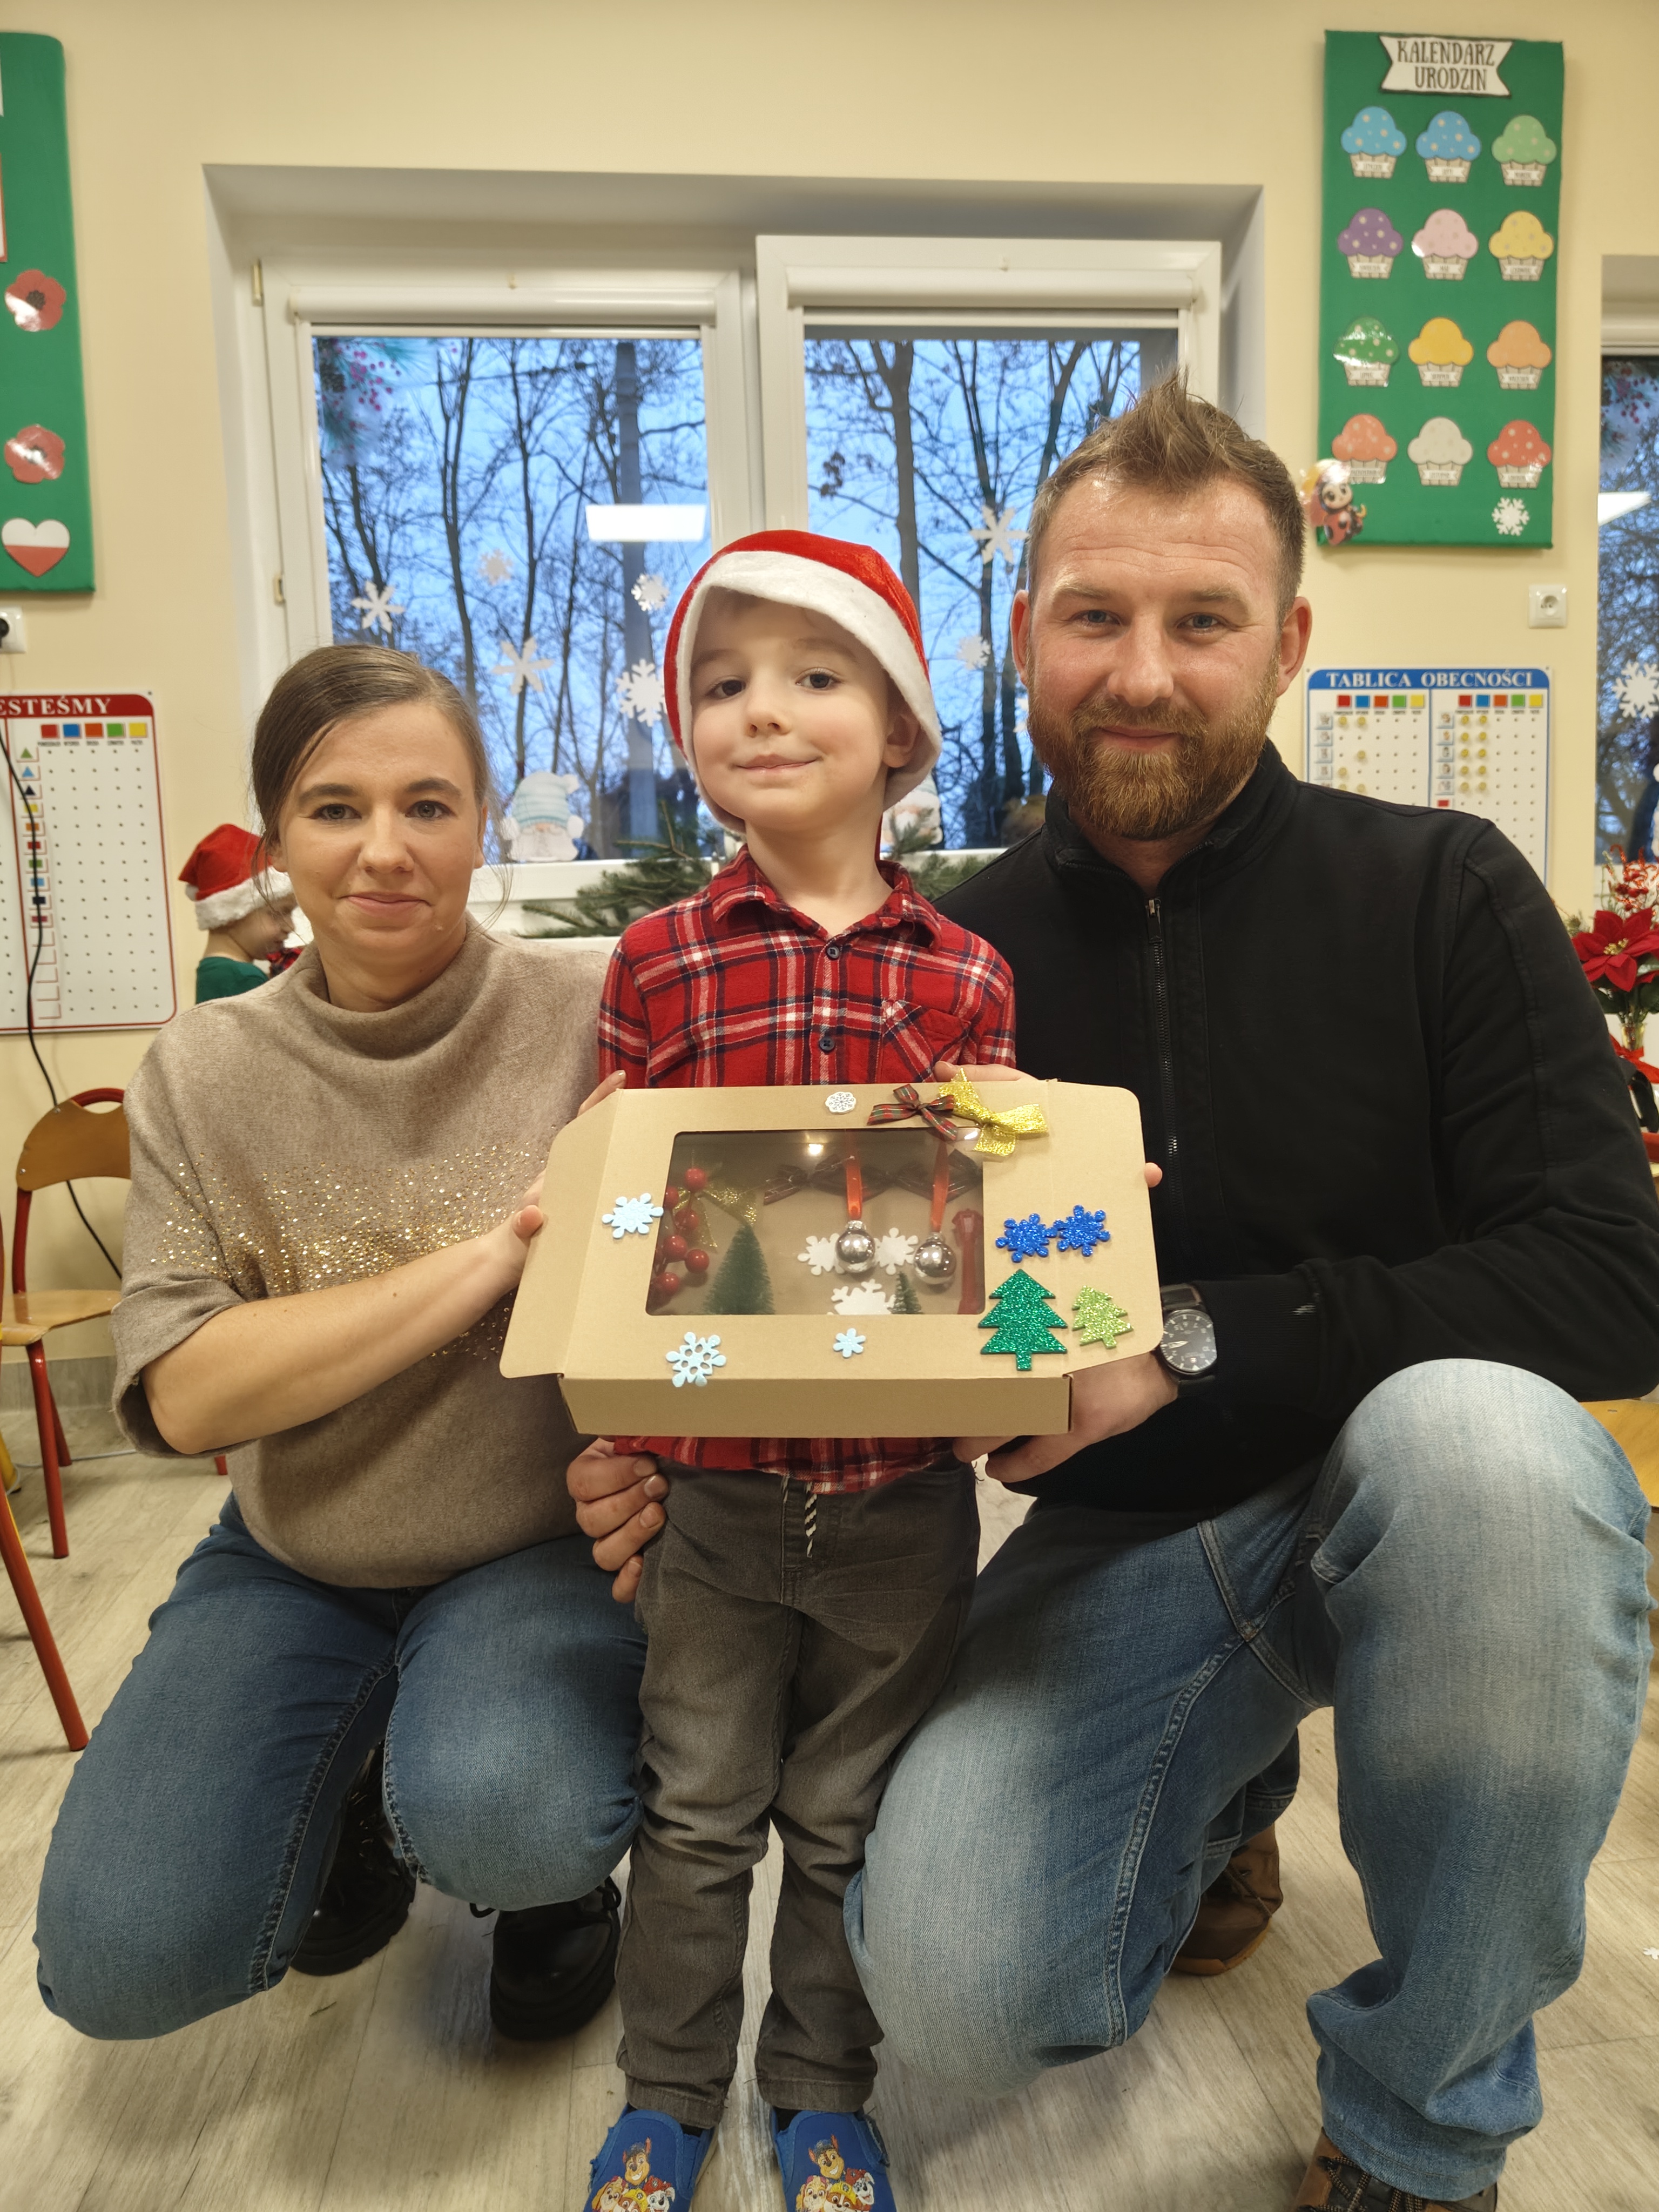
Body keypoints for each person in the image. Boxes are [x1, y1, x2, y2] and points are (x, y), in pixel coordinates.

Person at [577, 386, 1659, 2212]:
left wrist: (1183, 1347)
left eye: (1201, 621)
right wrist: (661, 1411)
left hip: (1417, 1501)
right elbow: (803, 1276)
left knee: (1486, 1447)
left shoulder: (1443, 894)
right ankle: (1221, 1791)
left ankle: (1419, 2135)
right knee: (955, 1985)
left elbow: (1613, 1283)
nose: (1142, 674)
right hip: (1123, 1551)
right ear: (1023, 640)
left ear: (1287, 644)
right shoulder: (947, 970)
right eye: (1095, 617)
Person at [35, 644, 643, 2047]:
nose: (384, 850)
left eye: (429, 805)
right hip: (296, 1550)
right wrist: (499, 1252)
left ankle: (547, 1879)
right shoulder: (207, 1068)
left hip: (532, 1542)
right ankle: (355, 1788)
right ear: (277, 835)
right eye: (334, 808)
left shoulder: (595, 1009)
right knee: (118, 1960)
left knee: (509, 1814)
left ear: (484, 823)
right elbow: (189, 1395)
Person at [581, 532, 1016, 2212]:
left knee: (845, 1820)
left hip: (901, 1498)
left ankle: (824, 2094)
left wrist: (1039, 1197)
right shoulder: (658, 962)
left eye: (814, 676)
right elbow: (620, 1226)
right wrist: (615, 1422)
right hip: (714, 1493)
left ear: (901, 728)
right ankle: (667, 2097)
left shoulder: (966, 976)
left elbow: (979, 1236)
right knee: (694, 1817)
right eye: (722, 682)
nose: (761, 711)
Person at [178, 821, 300, 1000]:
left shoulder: (214, 971)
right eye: (279, 914)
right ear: (228, 913)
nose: (291, 926)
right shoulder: (243, 978)